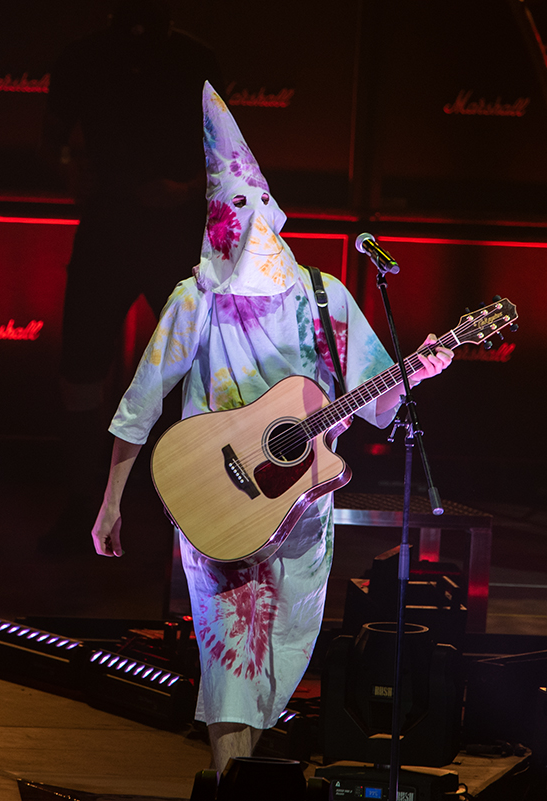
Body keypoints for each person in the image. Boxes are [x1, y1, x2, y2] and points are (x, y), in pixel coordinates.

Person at [90, 84, 453, 772]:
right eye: (232, 205)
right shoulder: (196, 299)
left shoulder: (324, 297)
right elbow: (141, 402)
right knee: (233, 665)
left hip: (303, 515)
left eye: (255, 201)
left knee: (275, 665)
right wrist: (111, 500)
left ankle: (237, 779)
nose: (247, 218)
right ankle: (233, 784)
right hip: (216, 504)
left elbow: (376, 401)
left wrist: (421, 370)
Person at [39, 0, 223, 550]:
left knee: (199, 371)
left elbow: (230, 154)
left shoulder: (196, 58)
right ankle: (82, 504)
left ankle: (196, 509)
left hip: (175, 234)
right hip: (108, 229)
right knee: (80, 370)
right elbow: (51, 138)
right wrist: (70, 169)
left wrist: (184, 191)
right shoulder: (83, 56)